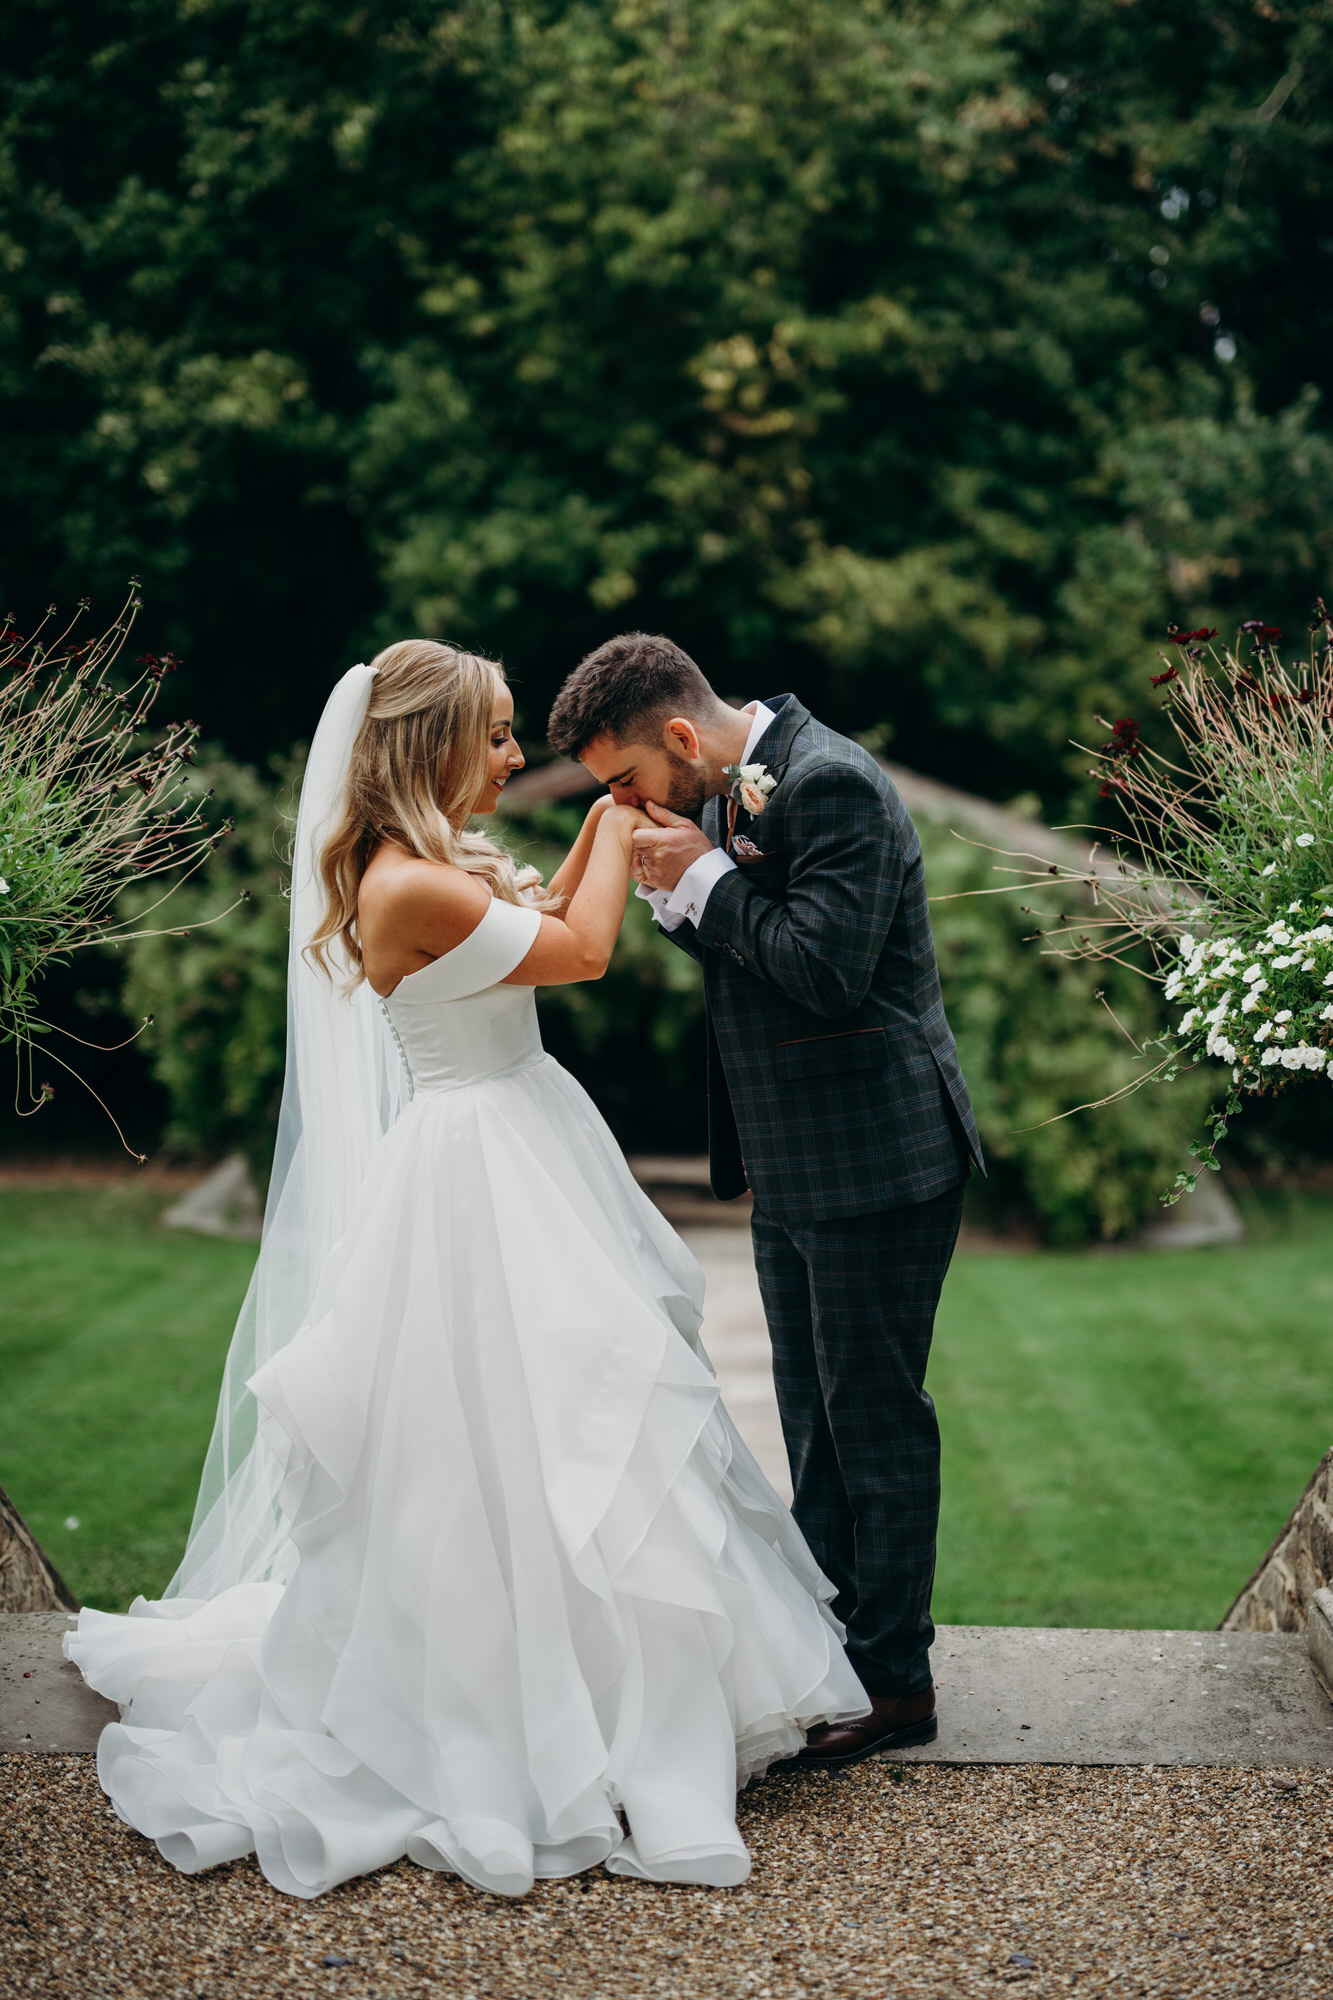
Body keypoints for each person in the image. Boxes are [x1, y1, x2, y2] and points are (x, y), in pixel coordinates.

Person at [64, 640, 866, 1901]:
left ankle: (598, 1681)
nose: (508, 755)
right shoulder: (406, 885)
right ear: (426, 743)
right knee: (505, 1433)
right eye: (491, 733)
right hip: (478, 1167)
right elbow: (580, 950)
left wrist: (604, 826)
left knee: (577, 1418)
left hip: (521, 1137)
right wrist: (621, 820)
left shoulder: (433, 862)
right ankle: (511, 1705)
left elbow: (546, 926)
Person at [548, 633, 984, 1767]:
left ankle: (895, 1681)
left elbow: (826, 970)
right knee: (812, 1421)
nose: (623, 804)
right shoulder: (724, 787)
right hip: (793, 1162)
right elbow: (757, 952)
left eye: (625, 779)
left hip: (877, 1158)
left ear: (678, 735)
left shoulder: (830, 783)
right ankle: (830, 1653)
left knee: (873, 1419)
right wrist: (687, 894)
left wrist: (704, 880)